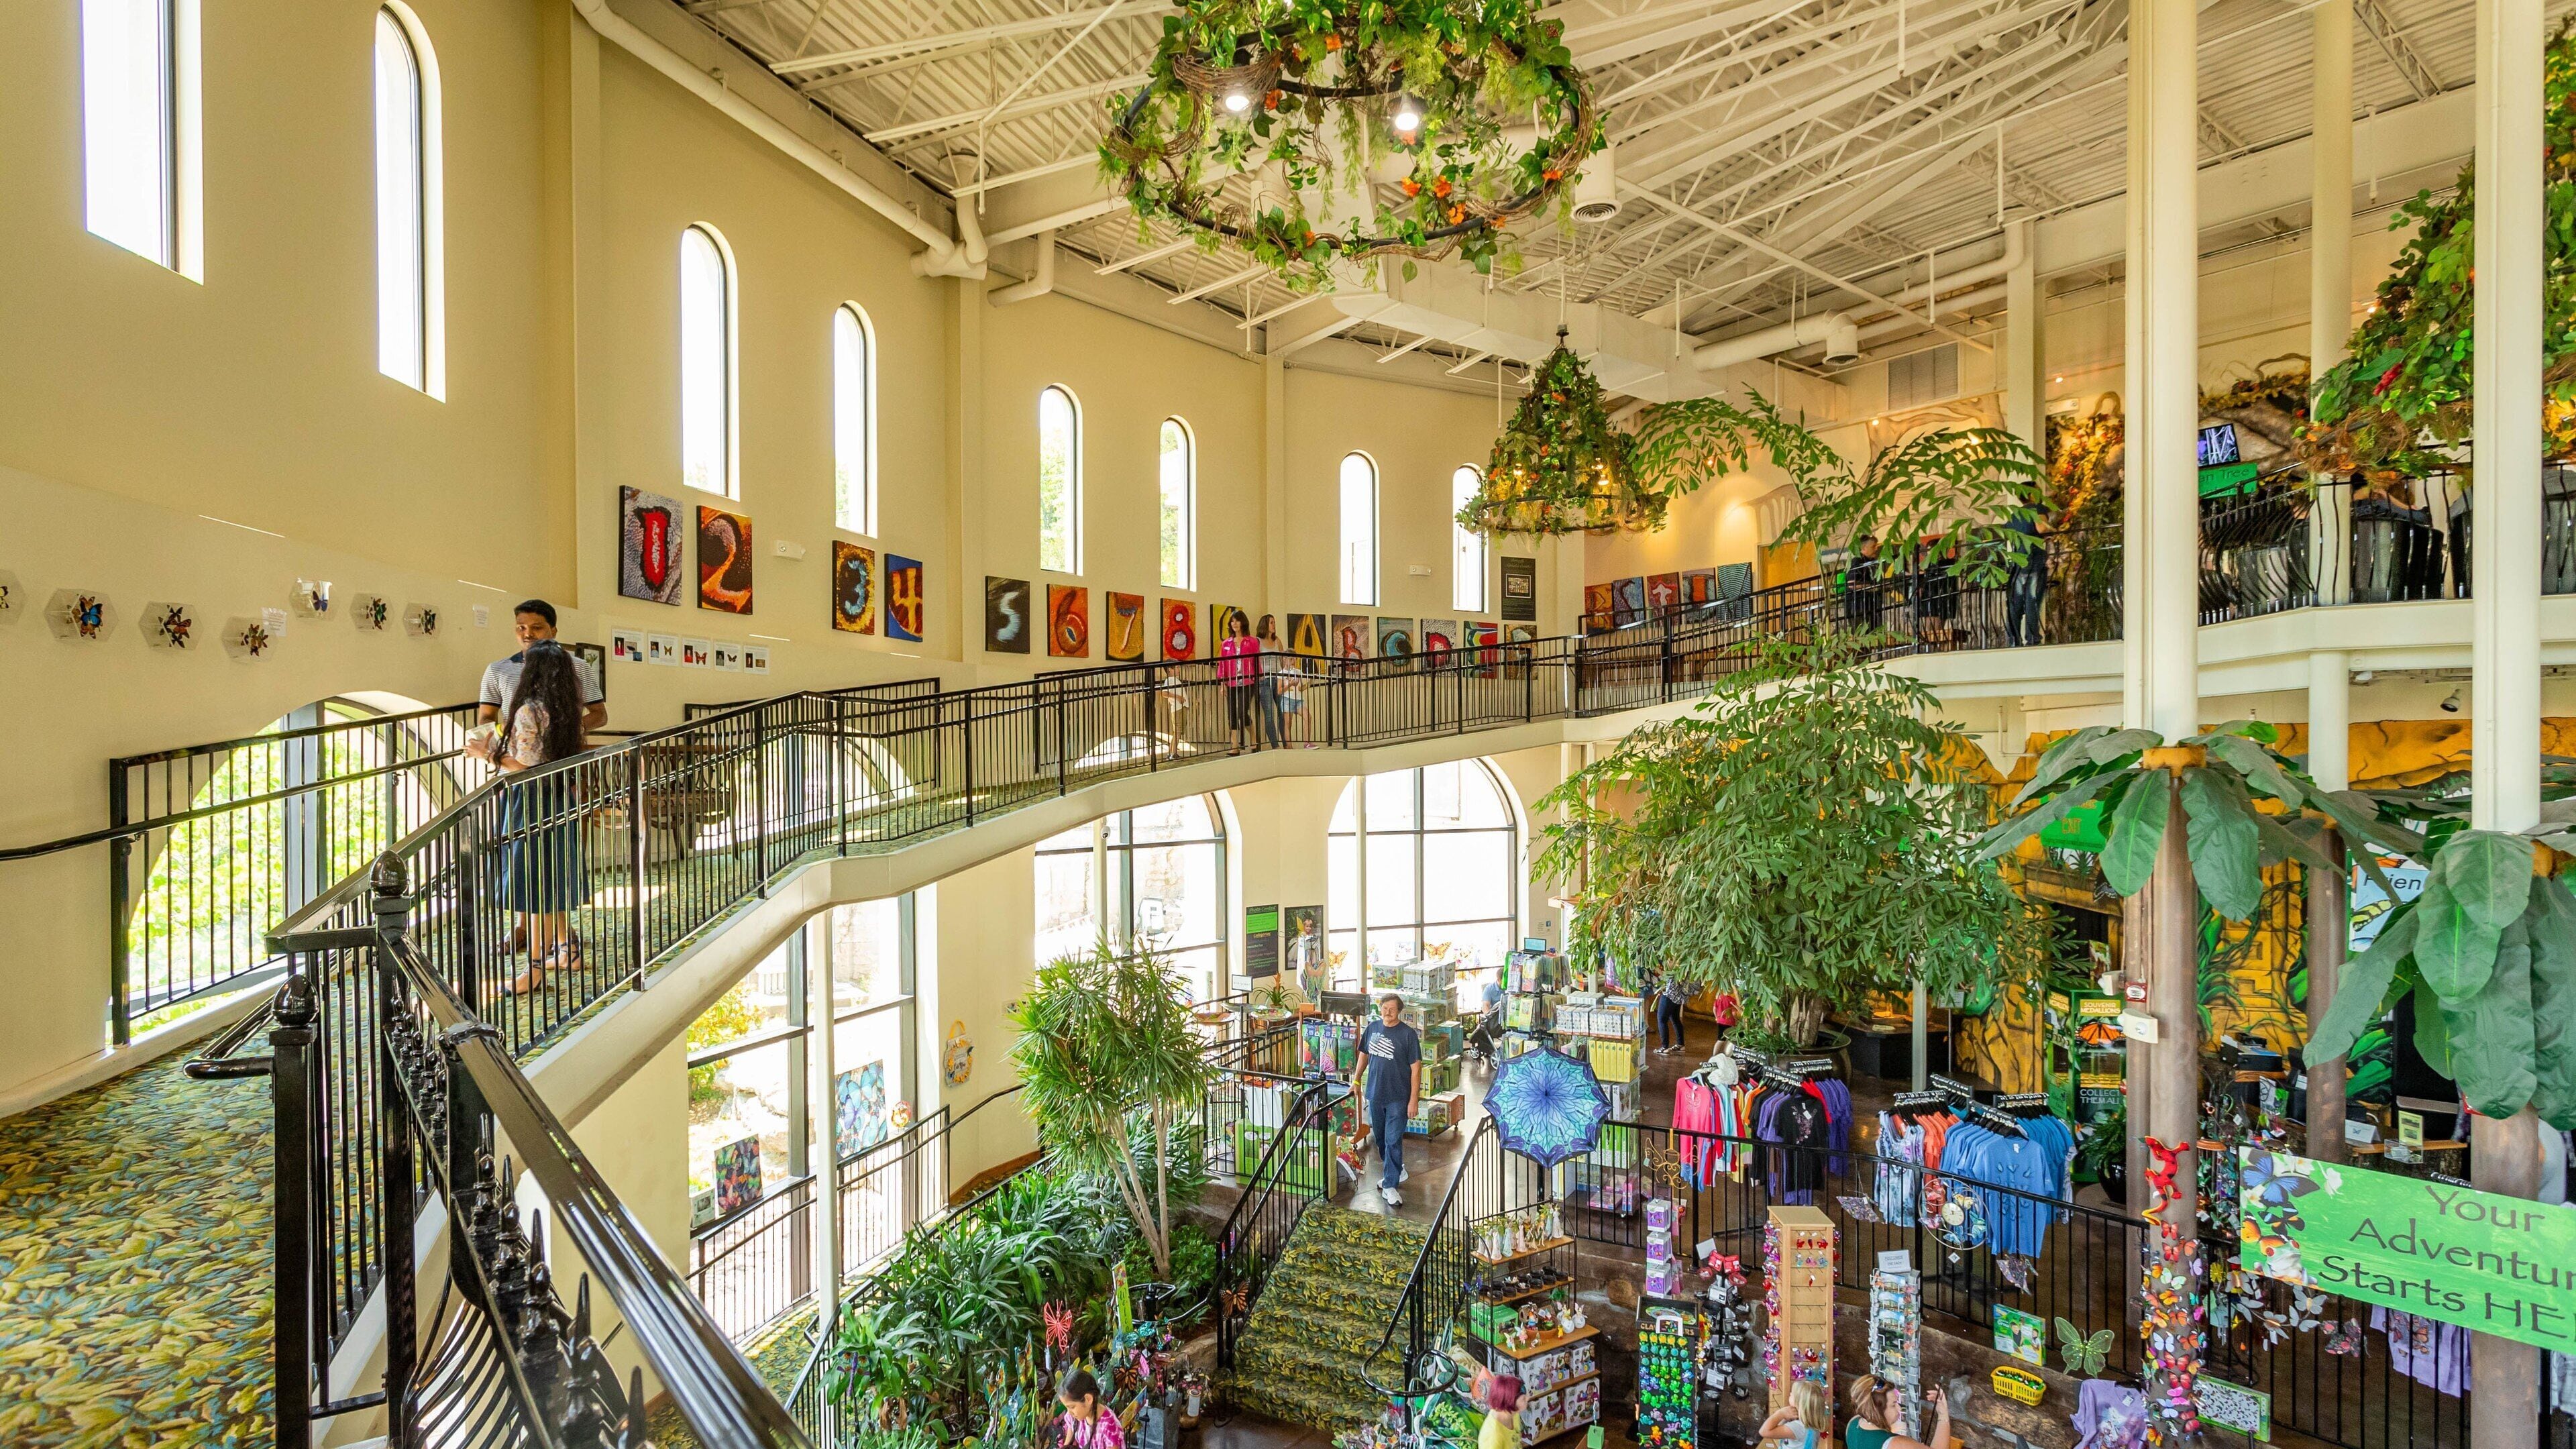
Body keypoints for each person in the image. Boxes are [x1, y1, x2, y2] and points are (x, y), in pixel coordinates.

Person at [464, 641, 592, 994]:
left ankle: (534, 971)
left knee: (535, 887)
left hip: (531, 801)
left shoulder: (527, 711)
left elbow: (525, 767)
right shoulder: (568, 709)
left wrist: (486, 753)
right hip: (558, 798)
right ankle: (569, 951)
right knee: (550, 880)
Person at [480, 600, 608, 735]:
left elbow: (600, 715)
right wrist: (508, 732)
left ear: (553, 631)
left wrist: (564, 733)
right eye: (521, 628)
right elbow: (485, 718)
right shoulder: (497, 670)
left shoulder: (577, 666)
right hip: (516, 750)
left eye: (537, 627)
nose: (528, 634)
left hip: (563, 752)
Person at [1352, 991, 1422, 1206]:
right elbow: (1363, 1054)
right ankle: (1396, 1169)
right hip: (1375, 1094)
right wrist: (1356, 1081)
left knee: (1393, 1140)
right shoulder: (1372, 1028)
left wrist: (1413, 1100)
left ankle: (1390, 1185)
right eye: (1384, 1008)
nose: (1387, 1012)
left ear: (1399, 1012)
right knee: (1381, 1139)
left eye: (1392, 1009)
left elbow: (1416, 1069)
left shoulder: (1408, 1035)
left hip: (1399, 1098)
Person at [1846, 1373, 1951, 1449]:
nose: (1899, 1408)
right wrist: (1943, 1414)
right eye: (1893, 1405)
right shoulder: (1896, 1443)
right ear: (1877, 1410)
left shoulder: (1853, 1423)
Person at [1218, 610, 1262, 755]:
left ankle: (1254, 739)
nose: (1234, 623)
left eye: (1237, 620)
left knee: (1242, 712)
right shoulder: (1226, 643)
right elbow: (1222, 664)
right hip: (1231, 682)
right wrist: (1222, 684)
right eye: (1232, 621)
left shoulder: (1252, 641)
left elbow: (1257, 660)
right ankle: (1234, 746)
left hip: (1249, 681)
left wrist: (1259, 676)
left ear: (1243, 622)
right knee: (1232, 714)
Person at [2004, 508, 2047, 647]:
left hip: (2018, 563)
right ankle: (2033, 639)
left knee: (2015, 603)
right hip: (2034, 561)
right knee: (2032, 601)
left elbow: (2007, 534)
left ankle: (2013, 641)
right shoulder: (2037, 508)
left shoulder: (2014, 517)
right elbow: (2041, 528)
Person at [1056, 1368, 1126, 1449]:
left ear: (1088, 1399)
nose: (1069, 1412)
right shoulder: (1075, 1417)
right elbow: (1067, 1444)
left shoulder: (1110, 1427)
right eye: (1067, 1408)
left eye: (1072, 1407)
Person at [1759, 1381, 1833, 1449]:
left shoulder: (1798, 1427)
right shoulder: (1810, 1422)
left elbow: (1764, 1432)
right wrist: (1786, 1418)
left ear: (1799, 1403)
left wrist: (1780, 1413)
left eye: (1792, 1395)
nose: (1790, 1395)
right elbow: (1779, 1428)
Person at [1254, 615, 1288, 749]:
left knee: (1282, 711)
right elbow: (1255, 660)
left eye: (1274, 622)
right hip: (1265, 680)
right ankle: (1275, 745)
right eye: (1271, 623)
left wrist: (1285, 676)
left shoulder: (1277, 641)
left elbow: (1282, 660)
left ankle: (1286, 743)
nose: (1274, 625)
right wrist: (1260, 675)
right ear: (1265, 625)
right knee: (1269, 715)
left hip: (1277, 678)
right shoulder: (1258, 641)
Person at [1841, 535, 1885, 631]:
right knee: (1863, 635)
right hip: (1858, 607)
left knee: (1873, 634)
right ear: (1864, 548)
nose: (1876, 549)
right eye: (1873, 546)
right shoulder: (1858, 561)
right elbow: (1852, 584)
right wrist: (1873, 586)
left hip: (1868, 606)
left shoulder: (1869, 562)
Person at [1477, 1373, 1522, 1449]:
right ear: (1509, 1402)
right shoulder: (1493, 1436)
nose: (1527, 1398)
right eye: (1523, 1399)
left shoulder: (1513, 1413)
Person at [1654, 975, 1688, 1055]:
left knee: (1662, 1019)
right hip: (1678, 994)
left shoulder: (1673, 963)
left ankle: (1665, 1047)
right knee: (1675, 1019)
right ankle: (1681, 1044)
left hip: (1670, 993)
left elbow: (1667, 974)